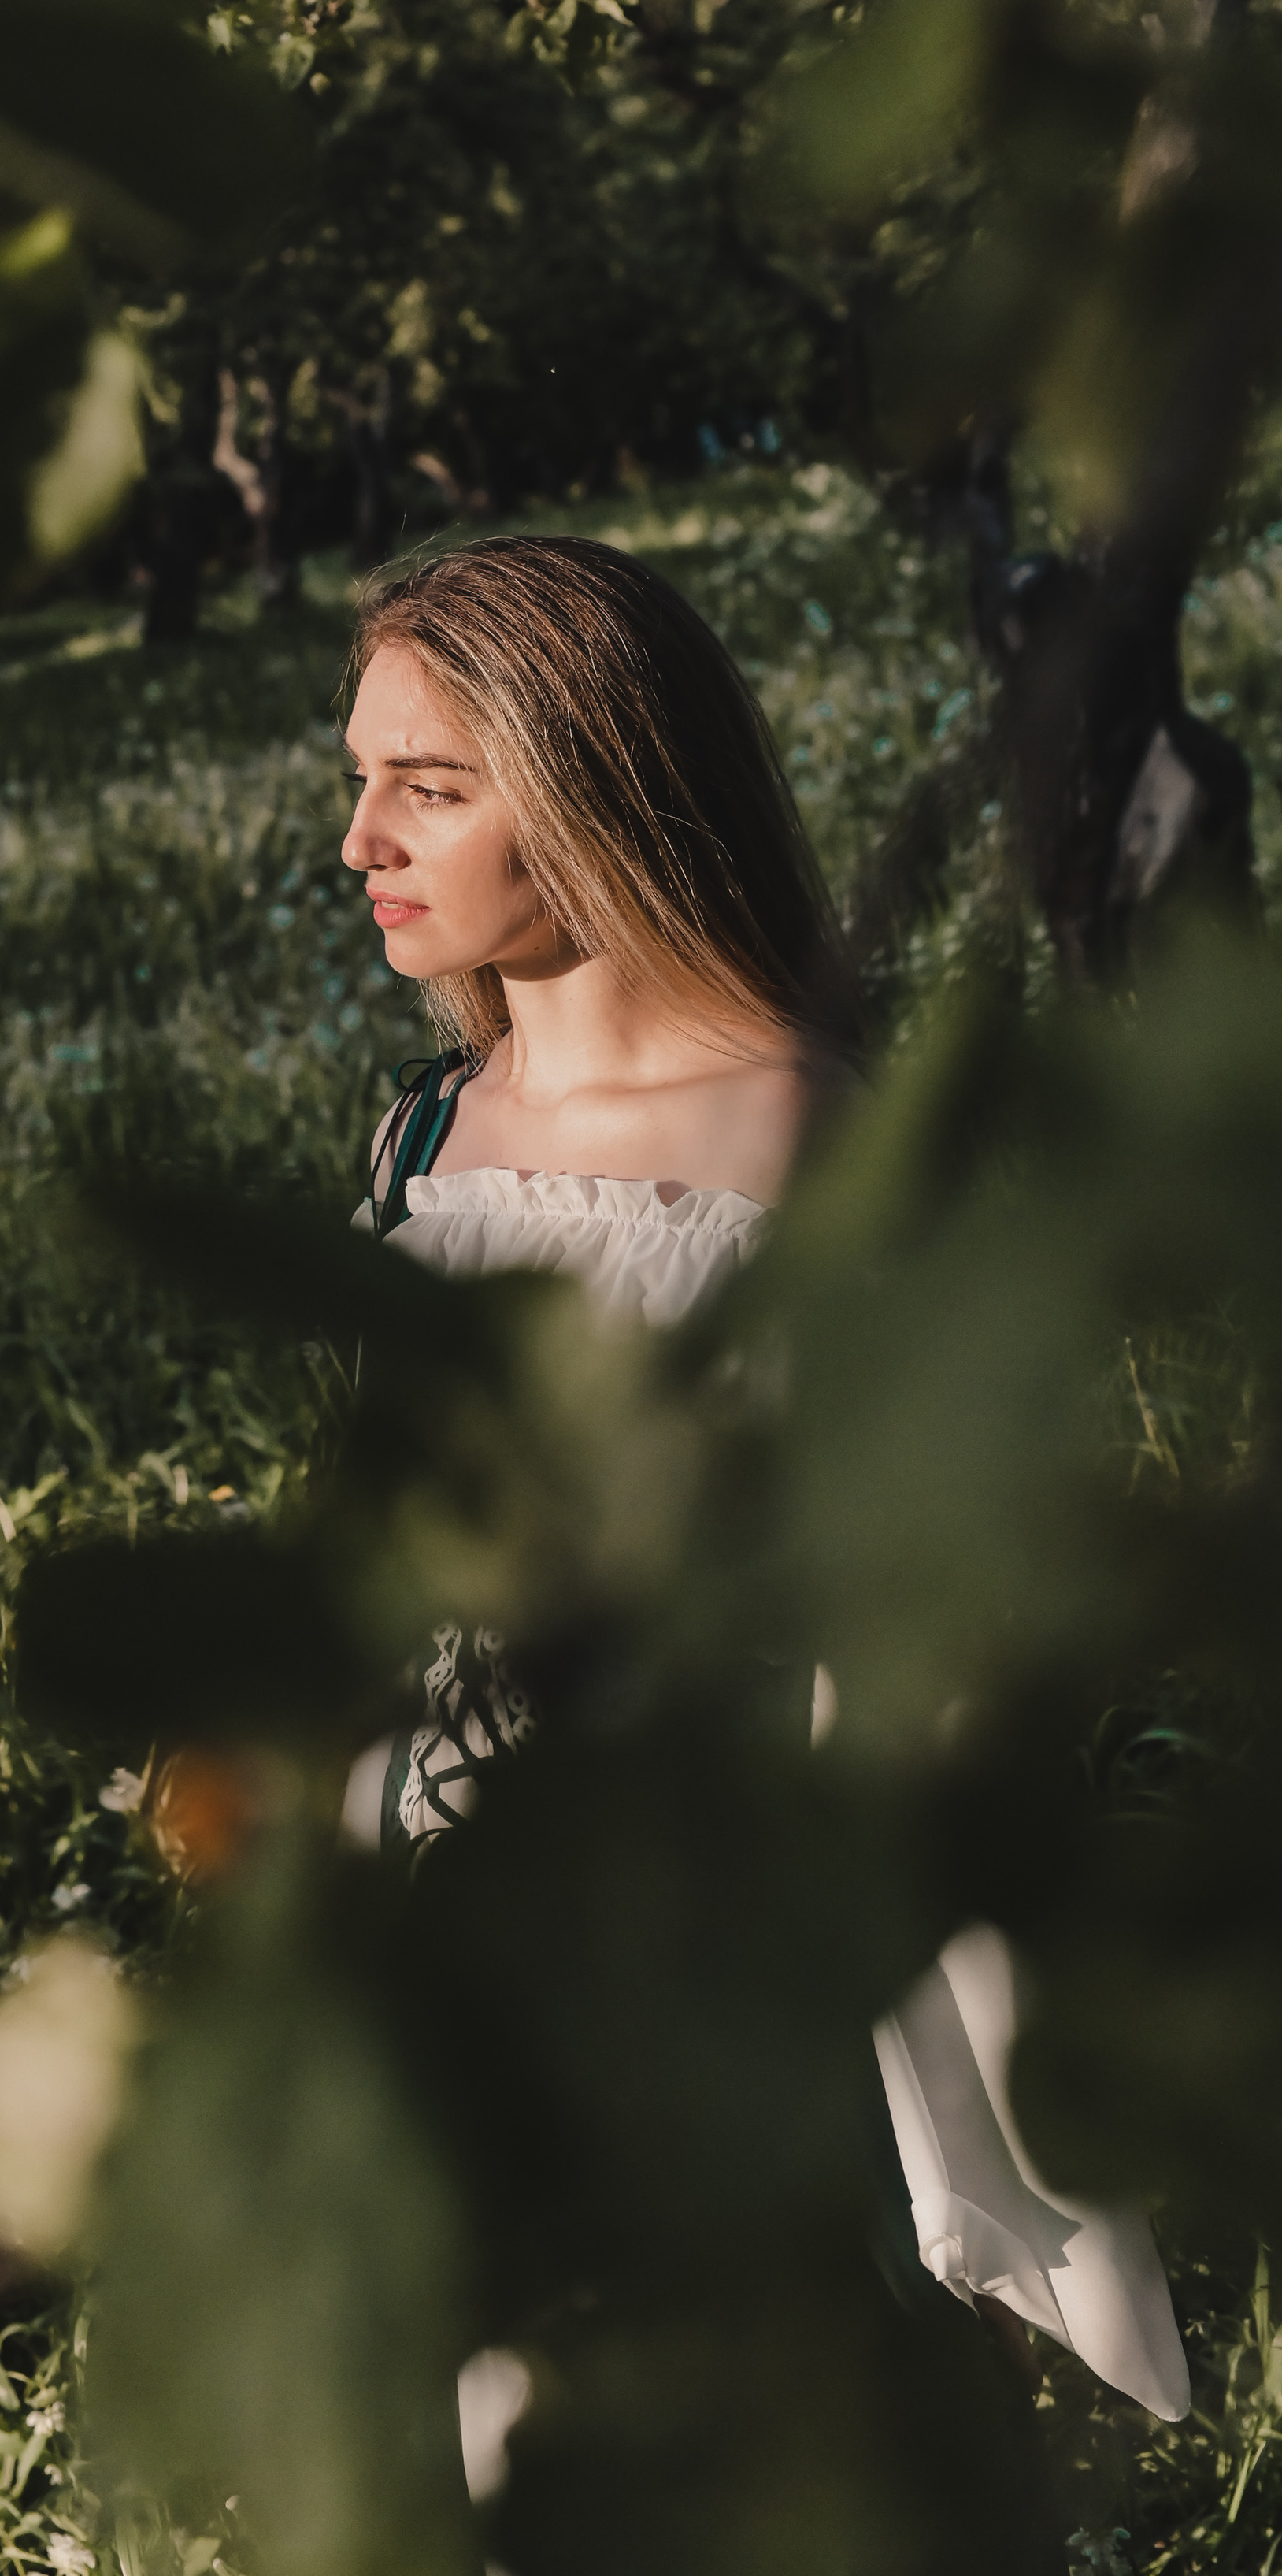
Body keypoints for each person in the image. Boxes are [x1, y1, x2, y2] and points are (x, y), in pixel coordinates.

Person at [337, 533, 1189, 2427]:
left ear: (587, 779)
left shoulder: (827, 1148)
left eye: (429, 786)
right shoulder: (419, 1138)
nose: (361, 842)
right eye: (359, 781)